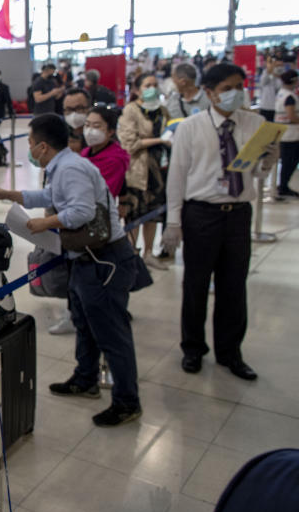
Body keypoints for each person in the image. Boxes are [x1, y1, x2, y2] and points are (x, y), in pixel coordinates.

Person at [0, 114, 142, 427]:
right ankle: (85, 378)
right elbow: (53, 197)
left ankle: (127, 401)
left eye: (29, 143)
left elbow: (80, 211)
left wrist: (44, 222)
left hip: (103, 260)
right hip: (84, 259)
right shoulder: (63, 166)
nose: (28, 149)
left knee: (112, 333)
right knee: (84, 322)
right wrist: (11, 196)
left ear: (42, 146)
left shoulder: (70, 167)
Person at [162, 63, 278, 382]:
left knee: (233, 285)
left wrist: (268, 160)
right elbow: (177, 177)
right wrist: (174, 222)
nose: (235, 93)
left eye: (239, 87)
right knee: (196, 284)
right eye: (227, 88)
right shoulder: (190, 127)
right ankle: (193, 348)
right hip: (202, 213)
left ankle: (231, 352)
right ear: (210, 92)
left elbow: (255, 172)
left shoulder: (256, 123)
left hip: (238, 214)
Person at [118, 73, 172, 270]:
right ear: (138, 89)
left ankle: (149, 252)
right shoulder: (130, 111)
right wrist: (159, 140)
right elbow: (129, 144)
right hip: (137, 170)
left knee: (154, 214)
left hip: (159, 169)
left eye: (155, 84)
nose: (153, 88)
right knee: (135, 214)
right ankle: (132, 253)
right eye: (147, 85)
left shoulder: (162, 110)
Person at [82, 106, 131, 197]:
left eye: (96, 126)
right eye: (87, 125)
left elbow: (101, 193)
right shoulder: (85, 153)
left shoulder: (115, 160)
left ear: (110, 131)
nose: (89, 131)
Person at [274, 69, 299, 198]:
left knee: (287, 162)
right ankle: (283, 187)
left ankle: (283, 186)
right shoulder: (290, 97)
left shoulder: (281, 94)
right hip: (291, 134)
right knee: (289, 162)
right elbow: (291, 116)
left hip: (284, 133)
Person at [61, 88, 92, 153]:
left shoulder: (100, 136)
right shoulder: (59, 135)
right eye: (68, 109)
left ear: (89, 108)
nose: (73, 114)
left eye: (79, 108)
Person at [257, 56, 283, 122]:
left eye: (281, 65)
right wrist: (271, 71)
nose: (279, 67)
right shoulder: (266, 74)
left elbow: (280, 88)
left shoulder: (283, 76)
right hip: (266, 107)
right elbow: (263, 81)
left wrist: (279, 76)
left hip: (278, 108)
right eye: (277, 65)